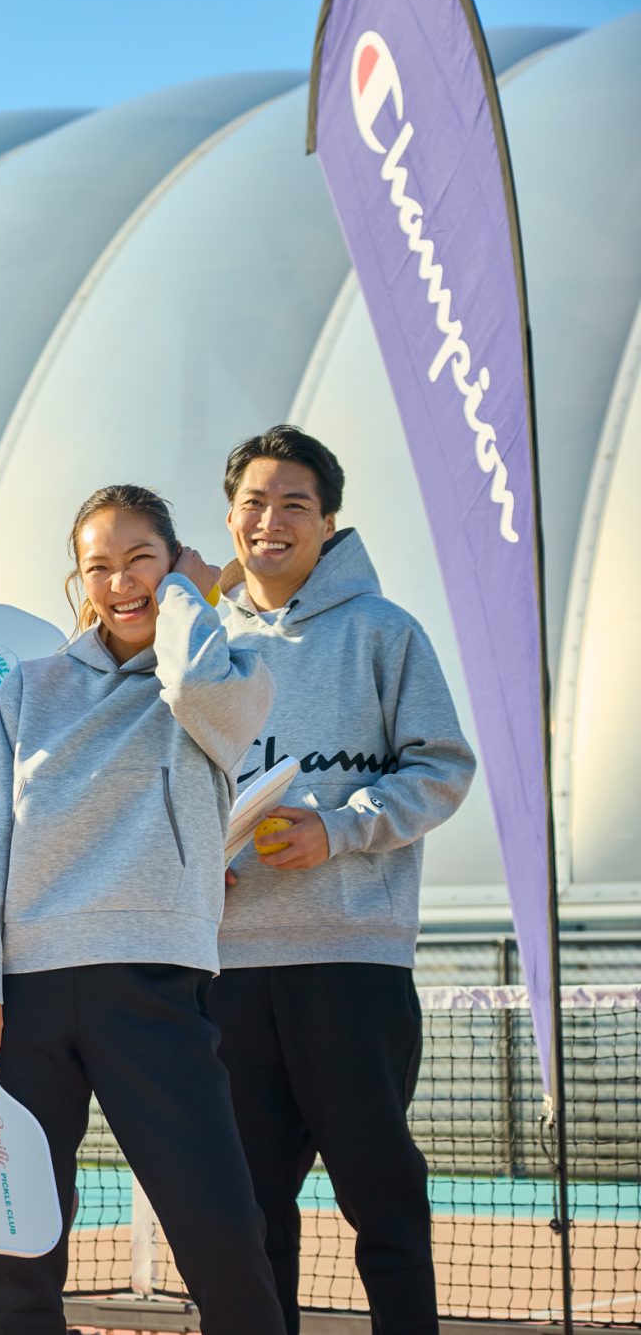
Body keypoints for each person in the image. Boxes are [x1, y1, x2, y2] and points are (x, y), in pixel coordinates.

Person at [0, 484, 284, 1333]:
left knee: (222, 1231)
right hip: (25, 994)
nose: (121, 583)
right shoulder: (28, 688)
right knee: (18, 1246)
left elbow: (199, 687)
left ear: (176, 565)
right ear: (78, 580)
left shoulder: (226, 670)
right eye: (99, 567)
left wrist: (190, 597)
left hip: (156, 985)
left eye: (142, 561)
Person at [212, 426, 476, 1335]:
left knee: (384, 1202)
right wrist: (195, 867)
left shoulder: (383, 631)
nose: (271, 521)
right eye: (254, 502)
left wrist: (339, 829)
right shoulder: (198, 647)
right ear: (230, 518)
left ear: (328, 523)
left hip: (353, 967)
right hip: (226, 973)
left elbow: (442, 767)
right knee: (248, 1218)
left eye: (295, 504)